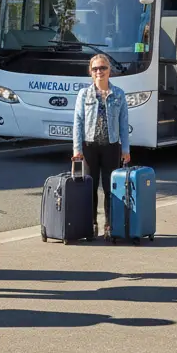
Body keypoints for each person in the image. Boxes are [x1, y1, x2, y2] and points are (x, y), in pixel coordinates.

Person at [72, 53, 131, 239]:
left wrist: (126, 150)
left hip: (111, 146)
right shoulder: (84, 94)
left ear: (109, 71)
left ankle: (109, 225)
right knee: (89, 188)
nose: (99, 72)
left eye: (103, 68)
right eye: (96, 69)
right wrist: (77, 149)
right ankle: (91, 224)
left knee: (110, 188)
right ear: (91, 72)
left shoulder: (119, 94)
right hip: (89, 146)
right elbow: (78, 122)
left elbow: (123, 124)